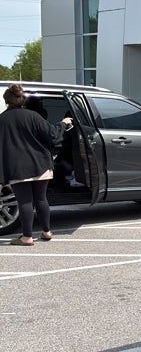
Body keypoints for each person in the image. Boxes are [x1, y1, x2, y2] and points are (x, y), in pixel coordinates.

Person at [0, 83, 73, 246]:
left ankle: (27, 237)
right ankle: (46, 232)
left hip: (17, 167)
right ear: (22, 100)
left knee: (25, 201)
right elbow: (53, 135)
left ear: (7, 101)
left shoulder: (2, 120)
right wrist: (64, 123)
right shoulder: (33, 116)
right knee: (41, 199)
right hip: (41, 163)